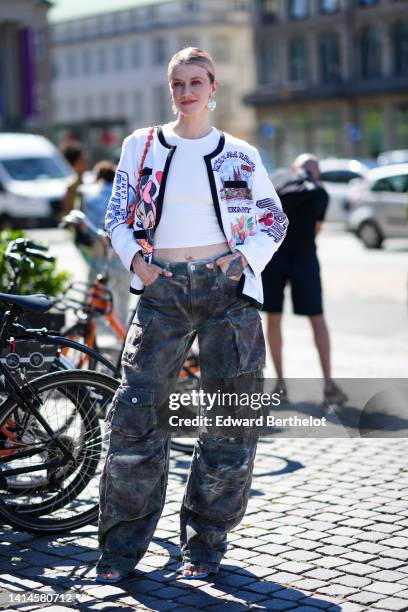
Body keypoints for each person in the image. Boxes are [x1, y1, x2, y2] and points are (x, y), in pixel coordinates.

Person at [96, 47, 288, 584]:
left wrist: (244, 259)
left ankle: (206, 544)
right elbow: (118, 210)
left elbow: (274, 217)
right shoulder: (143, 145)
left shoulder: (239, 154)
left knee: (229, 425)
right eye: (178, 83)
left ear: (213, 87)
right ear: (171, 89)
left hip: (227, 293)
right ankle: (121, 549)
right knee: (135, 419)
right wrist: (135, 259)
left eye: (196, 81)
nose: (186, 92)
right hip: (164, 291)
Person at [262, 153, 347, 404]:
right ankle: (329, 385)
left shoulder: (277, 180)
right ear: (316, 172)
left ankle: (280, 384)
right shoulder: (319, 192)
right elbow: (316, 230)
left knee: (274, 319)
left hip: (273, 258)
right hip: (304, 258)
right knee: (317, 320)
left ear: (294, 168)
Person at [81, 161, 132, 325]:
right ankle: (119, 336)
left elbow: (83, 227)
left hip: (99, 255)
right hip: (122, 256)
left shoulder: (89, 195)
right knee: (122, 300)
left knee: (93, 297)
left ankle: (91, 334)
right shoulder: (125, 196)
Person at [60, 142, 90, 216]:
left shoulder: (91, 180)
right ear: (75, 164)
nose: (86, 161)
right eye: (82, 160)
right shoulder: (72, 186)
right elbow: (69, 210)